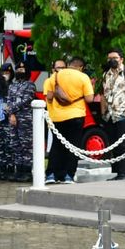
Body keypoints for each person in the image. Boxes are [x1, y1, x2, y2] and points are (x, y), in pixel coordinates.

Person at [44, 56, 94, 184]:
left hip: (57, 116)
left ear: (69, 64)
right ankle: (68, 176)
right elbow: (89, 99)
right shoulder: (83, 77)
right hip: (76, 115)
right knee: (73, 146)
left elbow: (49, 96)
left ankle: (51, 174)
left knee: (57, 145)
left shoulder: (55, 77)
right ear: (81, 67)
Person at [100, 48, 125, 181]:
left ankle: (123, 173)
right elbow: (103, 95)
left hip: (123, 115)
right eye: (109, 58)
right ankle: (116, 172)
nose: (112, 60)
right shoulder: (106, 74)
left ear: (121, 59)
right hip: (110, 116)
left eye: (115, 58)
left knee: (124, 145)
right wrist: (103, 112)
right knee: (113, 144)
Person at [7, 61, 36, 182]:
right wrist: (11, 114)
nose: (19, 72)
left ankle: (27, 172)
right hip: (13, 119)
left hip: (25, 119)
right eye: (18, 69)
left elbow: (26, 100)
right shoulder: (12, 85)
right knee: (16, 145)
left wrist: (11, 110)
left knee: (26, 146)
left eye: (22, 70)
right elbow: (9, 100)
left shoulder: (30, 85)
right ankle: (18, 171)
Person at [42, 59, 67, 184]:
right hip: (53, 118)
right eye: (58, 68)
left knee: (64, 147)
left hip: (67, 117)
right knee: (54, 146)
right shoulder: (49, 81)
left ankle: (61, 173)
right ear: (53, 69)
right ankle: (50, 172)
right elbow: (49, 98)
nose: (61, 70)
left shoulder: (68, 81)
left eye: (63, 67)